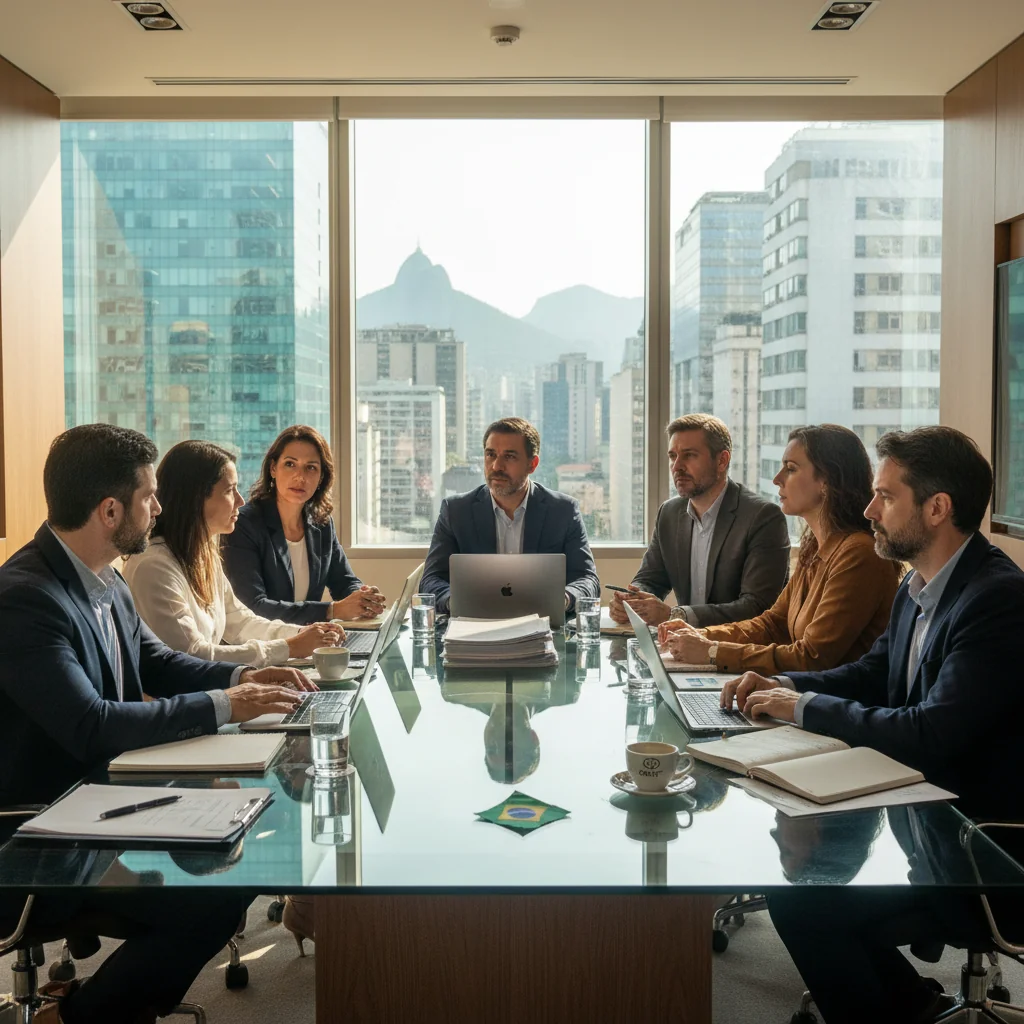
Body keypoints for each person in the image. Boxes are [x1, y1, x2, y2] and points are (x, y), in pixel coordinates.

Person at [0, 424, 315, 1024]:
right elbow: (90, 724)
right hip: (39, 832)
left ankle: (90, 1008)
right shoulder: (25, 598)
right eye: (150, 496)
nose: (159, 506)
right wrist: (228, 706)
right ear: (110, 508)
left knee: (238, 862)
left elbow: (158, 662)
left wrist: (239, 683)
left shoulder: (104, 576)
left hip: (102, 803)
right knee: (209, 900)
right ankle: (79, 1018)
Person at [720, 426, 1024, 1024]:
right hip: (924, 820)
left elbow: (930, 732)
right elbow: (870, 672)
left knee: (808, 908)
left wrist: (801, 708)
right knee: (810, 894)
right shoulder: (919, 582)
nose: (868, 509)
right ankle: (910, 1004)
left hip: (984, 848)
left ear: (937, 509)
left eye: (885, 497)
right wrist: (788, 688)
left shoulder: (997, 600)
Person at [658, 425, 900, 674]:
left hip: (833, 703)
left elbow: (812, 657)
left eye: (791, 469)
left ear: (825, 481)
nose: (777, 479)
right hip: (799, 693)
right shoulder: (816, 547)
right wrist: (699, 635)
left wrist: (712, 652)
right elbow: (772, 624)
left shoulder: (859, 554)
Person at [124, 439, 343, 666]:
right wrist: (289, 647)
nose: (240, 501)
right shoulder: (154, 567)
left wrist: (303, 633)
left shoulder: (203, 554)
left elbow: (238, 620)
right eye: (230, 490)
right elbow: (192, 655)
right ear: (196, 498)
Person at [609, 414, 789, 628]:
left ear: (722, 460)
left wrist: (675, 615)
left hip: (737, 651)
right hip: (685, 648)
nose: (677, 466)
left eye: (689, 455)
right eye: (672, 456)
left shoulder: (762, 517)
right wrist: (632, 600)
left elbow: (757, 606)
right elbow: (651, 578)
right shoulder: (669, 513)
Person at [420, 417, 600, 615]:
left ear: (532, 464)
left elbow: (587, 579)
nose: (497, 466)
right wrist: (454, 601)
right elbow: (430, 580)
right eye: (490, 455)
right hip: (473, 627)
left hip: (542, 627)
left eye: (510, 457)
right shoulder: (455, 511)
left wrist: (563, 599)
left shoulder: (563, 511)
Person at [222, 424, 385, 625]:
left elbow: (344, 581)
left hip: (309, 642)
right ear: (273, 468)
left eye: (311, 467)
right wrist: (331, 611)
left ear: (321, 477)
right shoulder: (244, 524)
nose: (300, 477)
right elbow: (253, 607)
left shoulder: (321, 523)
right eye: (290, 464)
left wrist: (363, 598)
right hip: (262, 647)